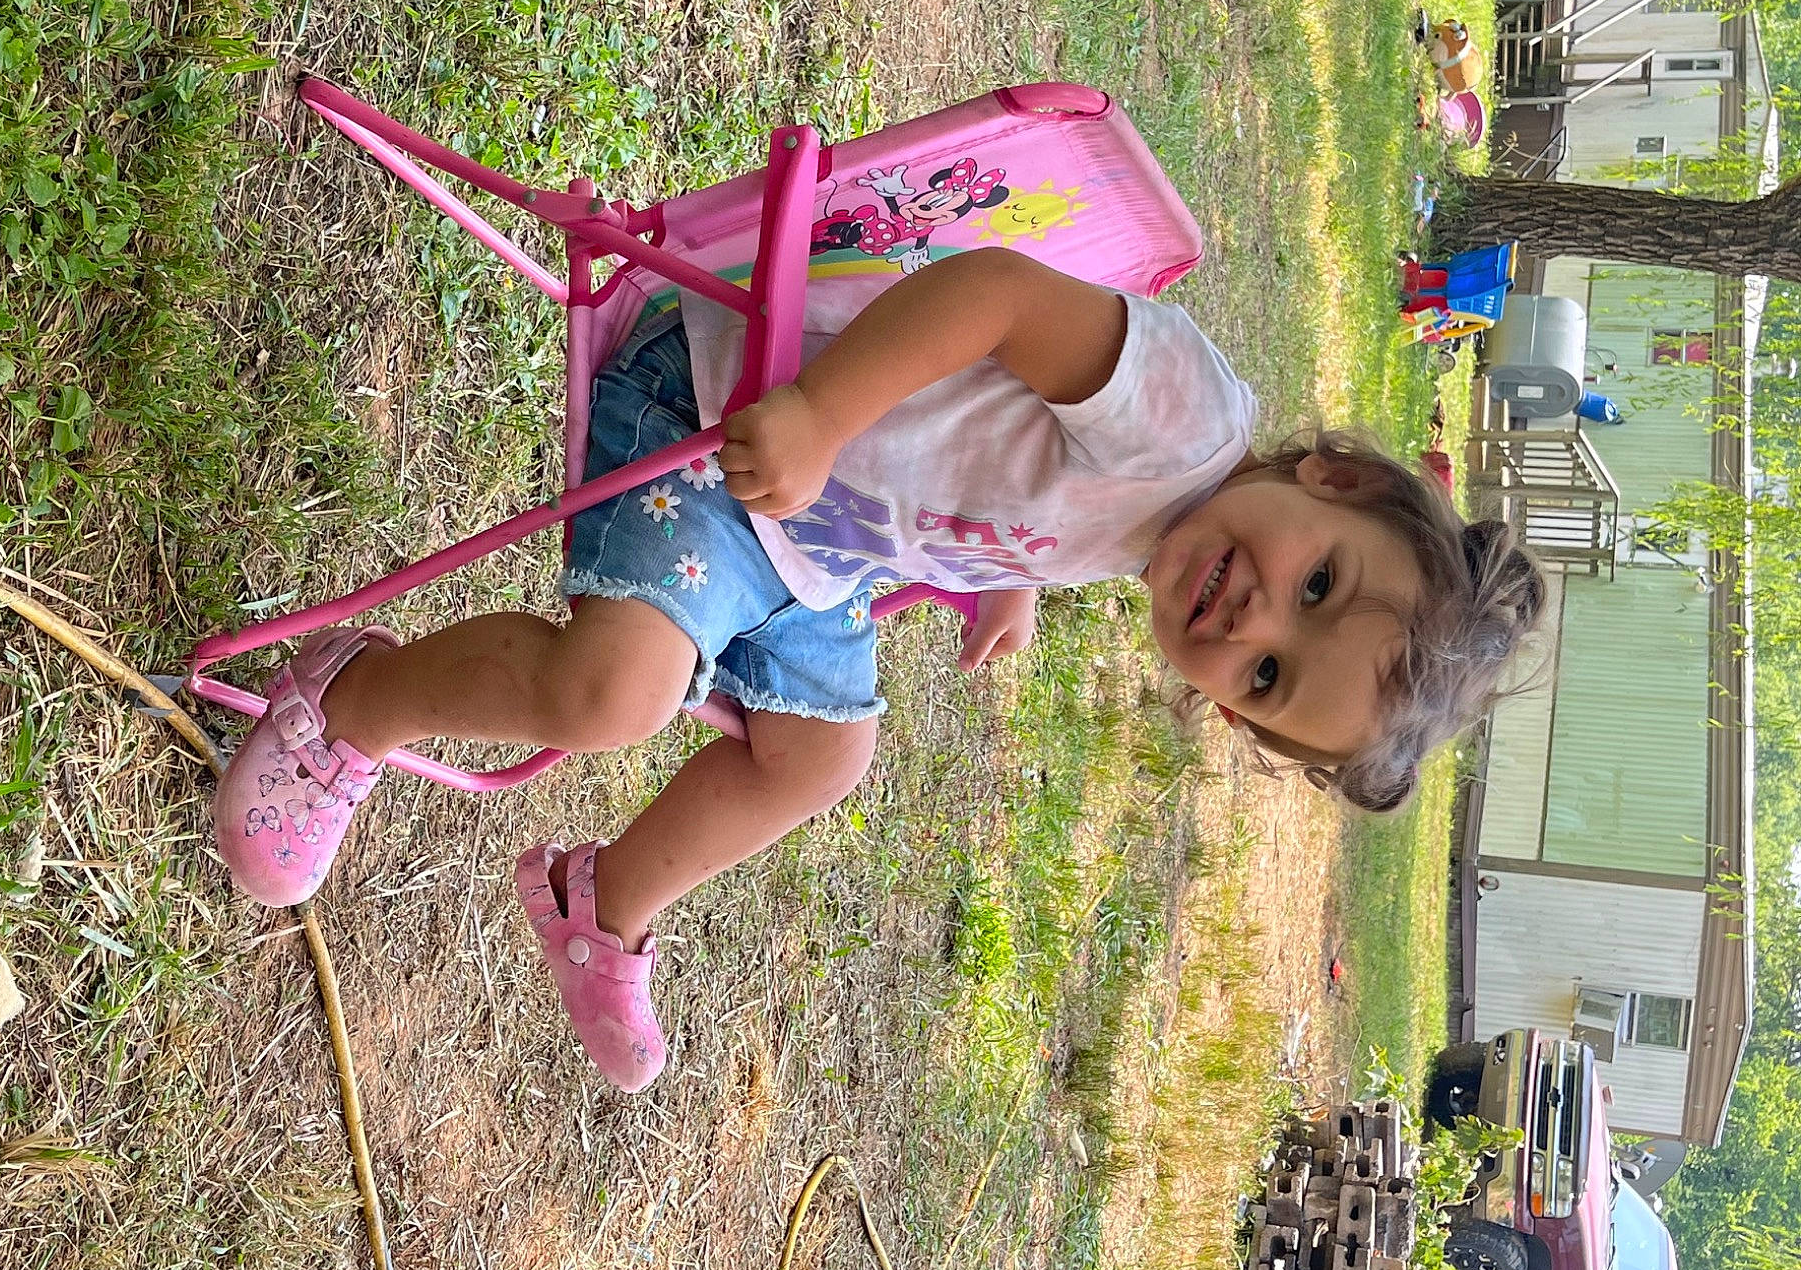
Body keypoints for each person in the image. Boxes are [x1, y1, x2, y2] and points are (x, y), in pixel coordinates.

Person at [210, 247, 1544, 1091]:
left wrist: (1011, 574)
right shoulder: (1191, 417)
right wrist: (818, 413)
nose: (1253, 621)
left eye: (1262, 678)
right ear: (1337, 478)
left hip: (803, 549)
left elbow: (1034, 445)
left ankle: (599, 904)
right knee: (617, 695)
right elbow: (1002, 298)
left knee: (828, 750)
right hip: (729, 404)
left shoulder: (1171, 529)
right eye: (1317, 586)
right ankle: (347, 707)